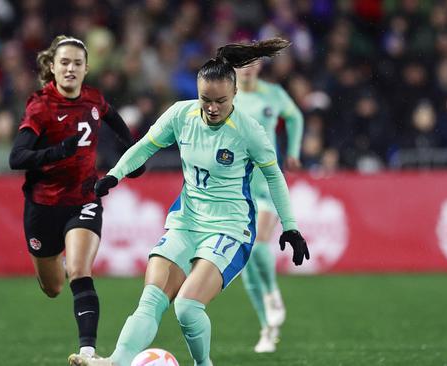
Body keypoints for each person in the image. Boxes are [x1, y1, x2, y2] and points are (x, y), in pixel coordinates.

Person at [67, 38, 310, 366]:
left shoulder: (249, 132)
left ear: (235, 95)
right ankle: (116, 362)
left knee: (187, 307)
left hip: (230, 228)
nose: (211, 108)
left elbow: (275, 178)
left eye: (220, 101)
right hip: (186, 221)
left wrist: (291, 227)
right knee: (151, 299)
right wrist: (115, 174)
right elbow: (145, 146)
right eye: (205, 99)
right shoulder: (181, 115)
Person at [9, 35, 144, 360]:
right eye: (65, 62)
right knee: (53, 287)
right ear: (53, 67)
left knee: (81, 270)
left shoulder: (94, 99)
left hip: (84, 198)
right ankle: (53, 261)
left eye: (77, 63)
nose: (71, 68)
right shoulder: (40, 105)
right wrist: (57, 152)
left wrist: (134, 154)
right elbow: (17, 158)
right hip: (43, 206)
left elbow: (116, 122)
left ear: (86, 69)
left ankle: (87, 353)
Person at [233, 58, 304, 353]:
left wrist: (293, 151)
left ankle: (273, 292)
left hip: (267, 184)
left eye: (251, 63)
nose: (246, 68)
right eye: (240, 64)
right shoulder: (226, 97)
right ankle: (266, 327)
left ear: (259, 66)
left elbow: (295, 117)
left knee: (260, 241)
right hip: (237, 186)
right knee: (246, 263)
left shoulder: (273, 94)